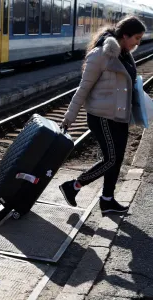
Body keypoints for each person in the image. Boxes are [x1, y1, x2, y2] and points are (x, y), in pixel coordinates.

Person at [60, 16, 146, 214]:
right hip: (102, 116)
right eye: (136, 38)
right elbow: (83, 88)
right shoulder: (100, 55)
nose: (138, 43)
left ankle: (107, 200)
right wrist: (69, 117)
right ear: (125, 36)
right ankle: (73, 186)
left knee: (117, 158)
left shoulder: (125, 54)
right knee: (111, 159)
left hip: (120, 116)